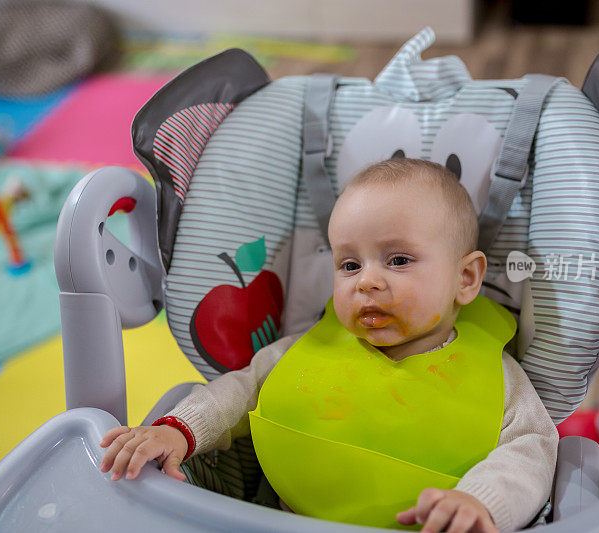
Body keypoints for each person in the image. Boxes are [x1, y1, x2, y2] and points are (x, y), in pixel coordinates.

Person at [99, 158, 558, 533]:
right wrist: (178, 430)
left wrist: (480, 503)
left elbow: (532, 448)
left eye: (398, 260)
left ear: (466, 278)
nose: (368, 282)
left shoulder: (494, 377)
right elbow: (238, 392)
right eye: (350, 265)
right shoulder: (305, 351)